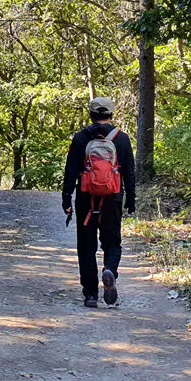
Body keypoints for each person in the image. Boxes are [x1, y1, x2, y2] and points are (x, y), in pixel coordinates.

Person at [62, 96, 136, 308]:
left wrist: (66, 198)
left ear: (91, 115)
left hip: (86, 197)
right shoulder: (121, 139)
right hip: (112, 197)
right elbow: (129, 173)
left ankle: (91, 295)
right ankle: (110, 269)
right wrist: (130, 200)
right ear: (111, 115)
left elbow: (70, 172)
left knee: (86, 246)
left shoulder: (80, 138)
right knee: (112, 242)